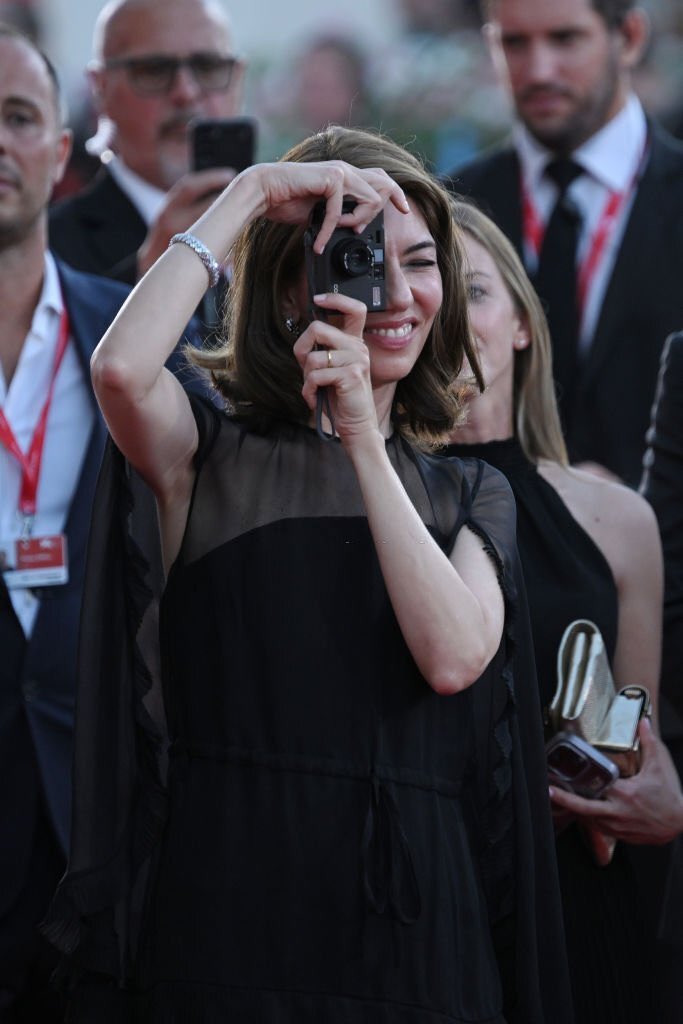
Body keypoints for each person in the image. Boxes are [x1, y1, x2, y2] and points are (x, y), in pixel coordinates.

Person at [44, 126, 573, 1023]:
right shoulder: (211, 458)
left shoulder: (473, 491)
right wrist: (250, 193)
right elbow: (123, 371)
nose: (398, 294)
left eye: (423, 261)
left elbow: (451, 657)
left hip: (416, 936)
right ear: (295, 291)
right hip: (231, 921)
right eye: (362, 260)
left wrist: (365, 436)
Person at [442, 198, 683, 1023]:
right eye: (421, 290)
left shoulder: (617, 520)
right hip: (425, 908)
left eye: (469, 290)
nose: (444, 313)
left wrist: (652, 799)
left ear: (519, 323)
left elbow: (631, 747)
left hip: (581, 904)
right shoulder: (363, 507)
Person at [0, 23, 130, 1021]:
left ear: (61, 149)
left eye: (16, 118)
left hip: (100, 825)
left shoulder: (136, 336)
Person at [446, 0, 683, 486]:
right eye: (514, 43)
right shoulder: (450, 210)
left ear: (631, 37)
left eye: (565, 39)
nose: (539, 70)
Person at [48, 0, 245, 291]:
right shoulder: (52, 247)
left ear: (238, 77)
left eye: (208, 67)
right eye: (154, 70)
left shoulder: (281, 226)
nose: (186, 92)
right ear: (100, 88)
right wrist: (146, 278)